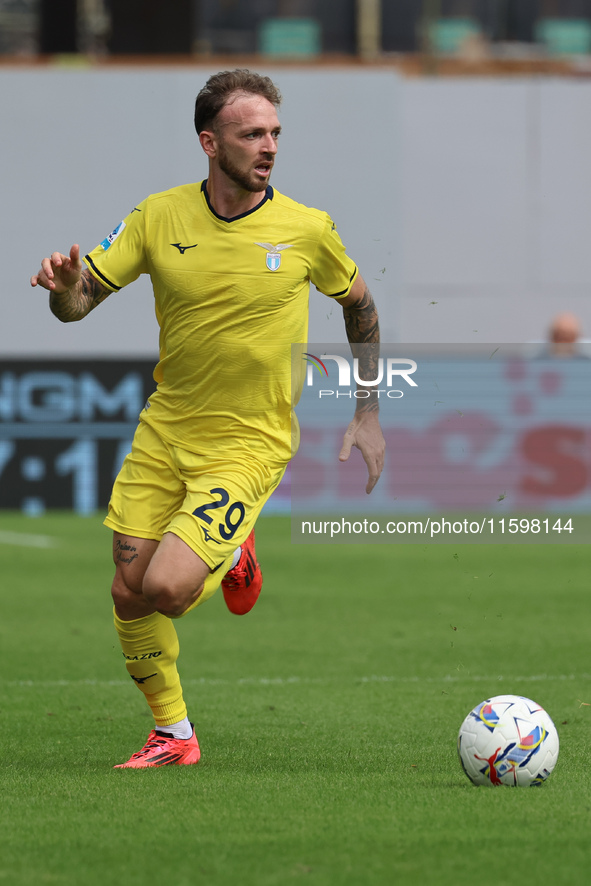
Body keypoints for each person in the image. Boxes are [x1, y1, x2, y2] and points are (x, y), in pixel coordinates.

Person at [30, 69, 385, 769]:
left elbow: (361, 306)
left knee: (165, 588)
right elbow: (77, 306)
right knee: (126, 591)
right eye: (251, 133)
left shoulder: (307, 229)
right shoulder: (157, 217)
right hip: (167, 429)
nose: (269, 146)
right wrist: (64, 292)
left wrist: (367, 412)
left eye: (275, 133)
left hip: (248, 440)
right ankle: (174, 735)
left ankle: (233, 549)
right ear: (208, 141)